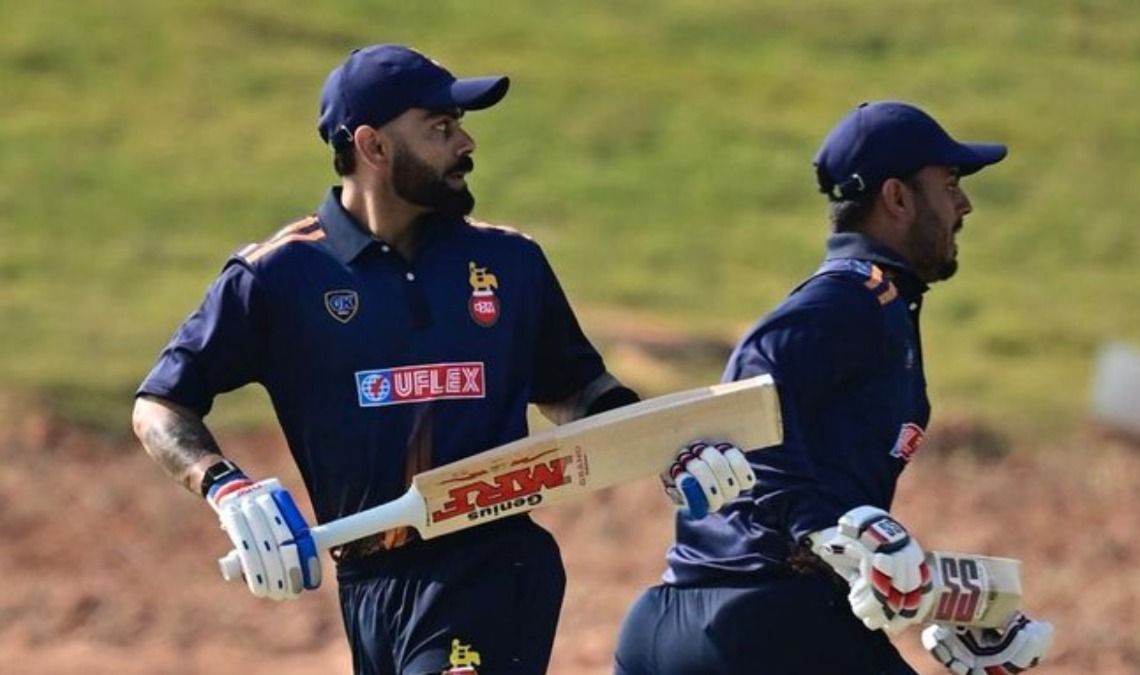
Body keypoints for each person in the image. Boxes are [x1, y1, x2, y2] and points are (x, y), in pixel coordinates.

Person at [131, 44, 752, 675]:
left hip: (490, 571)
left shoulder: (511, 263)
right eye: (440, 128)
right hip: (367, 585)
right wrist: (225, 487)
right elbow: (160, 406)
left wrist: (670, 447)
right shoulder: (276, 277)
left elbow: (579, 392)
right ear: (373, 147)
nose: (466, 143)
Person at [615, 101, 1055, 674]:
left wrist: (949, 602)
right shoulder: (853, 299)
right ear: (897, 199)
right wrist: (819, 526)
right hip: (765, 626)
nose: (964, 204)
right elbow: (752, 382)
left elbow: (833, 512)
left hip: (685, 624)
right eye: (949, 185)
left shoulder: (881, 306)